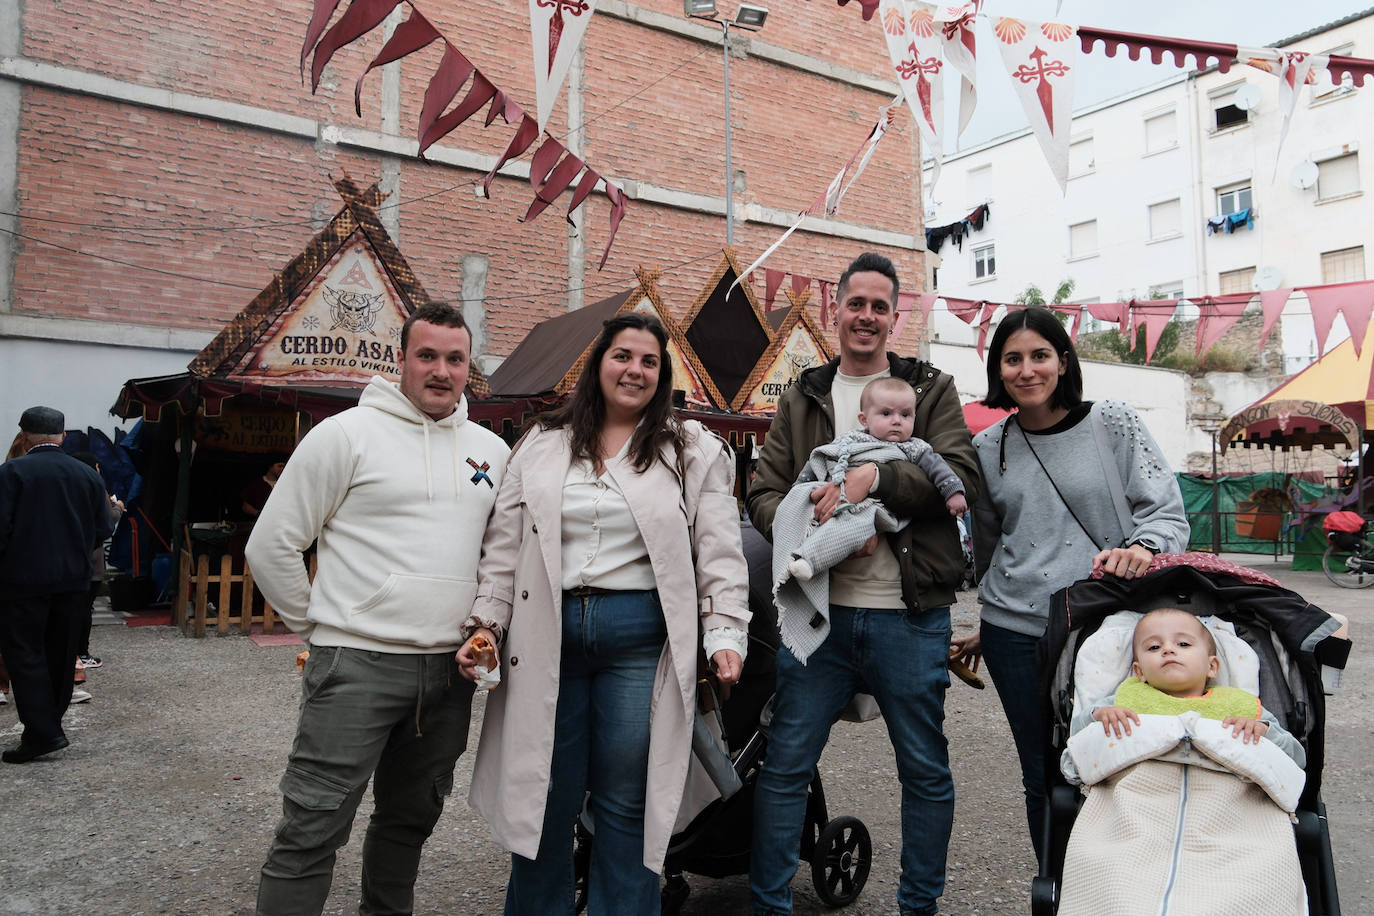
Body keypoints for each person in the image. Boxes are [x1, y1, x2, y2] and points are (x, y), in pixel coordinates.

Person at [458, 312, 749, 916]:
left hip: (639, 641)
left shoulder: (692, 450)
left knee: (626, 804)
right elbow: (504, 545)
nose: (634, 370)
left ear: (662, 373)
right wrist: (487, 622)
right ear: (598, 364)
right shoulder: (542, 442)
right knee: (543, 798)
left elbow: (719, 551)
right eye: (622, 356)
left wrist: (725, 634)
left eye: (648, 361)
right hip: (547, 636)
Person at [244, 303, 509, 915]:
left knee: (409, 824)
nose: (440, 371)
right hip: (355, 667)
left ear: (470, 367)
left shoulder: (492, 452)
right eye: (427, 356)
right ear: (401, 360)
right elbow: (272, 544)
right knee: (312, 827)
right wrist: (319, 626)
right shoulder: (344, 436)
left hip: (447, 676)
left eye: (455, 358)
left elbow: (499, 556)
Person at [747, 252, 980, 916]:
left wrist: (871, 483)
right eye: (857, 303)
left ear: (893, 316)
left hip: (909, 616)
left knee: (924, 770)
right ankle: (768, 906)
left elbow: (960, 473)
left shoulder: (928, 388)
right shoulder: (804, 393)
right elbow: (763, 491)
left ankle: (918, 907)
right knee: (786, 765)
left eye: (881, 306)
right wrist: (806, 515)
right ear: (836, 309)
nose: (867, 317)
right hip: (818, 615)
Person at [953, 306, 1189, 861]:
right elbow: (991, 550)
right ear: (998, 369)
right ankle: (1056, 887)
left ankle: (1121, 886)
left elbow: (1168, 514)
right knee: (1040, 772)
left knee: (1118, 760)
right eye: (1013, 359)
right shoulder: (989, 449)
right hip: (1014, 633)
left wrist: (1142, 549)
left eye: (1040, 355)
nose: (1026, 369)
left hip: (1104, 624)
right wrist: (992, 625)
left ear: (1063, 360)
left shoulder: (1112, 421)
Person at [776, 376, 967, 594]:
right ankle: (795, 552)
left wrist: (953, 492)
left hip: (872, 508)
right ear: (864, 419)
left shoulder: (915, 448)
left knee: (854, 526)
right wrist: (800, 489)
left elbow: (939, 470)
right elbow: (818, 459)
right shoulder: (850, 441)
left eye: (905, 415)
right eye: (886, 414)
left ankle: (810, 561)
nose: (897, 421)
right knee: (814, 515)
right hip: (833, 498)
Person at [0, 406, 116, 763]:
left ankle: (43, 731)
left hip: (22, 579)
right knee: (61, 654)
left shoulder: (11, 472)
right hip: (73, 579)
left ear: (24, 434)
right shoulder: (86, 474)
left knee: (24, 652)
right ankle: (50, 725)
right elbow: (103, 529)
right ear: (62, 435)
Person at [1088, 608, 1302, 762]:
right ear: (1139, 672)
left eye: (1183, 644)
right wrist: (1097, 717)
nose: (1168, 650)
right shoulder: (1124, 703)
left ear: (1212, 666)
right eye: (1154, 647)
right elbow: (1076, 746)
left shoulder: (1239, 707)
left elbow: (1296, 758)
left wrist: (1265, 732)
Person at [71, 451, 125, 672]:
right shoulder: (95, 486)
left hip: (66, 557)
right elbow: (108, 521)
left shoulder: (65, 485)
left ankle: (71, 654)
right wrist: (118, 506)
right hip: (91, 558)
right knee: (84, 609)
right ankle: (81, 653)